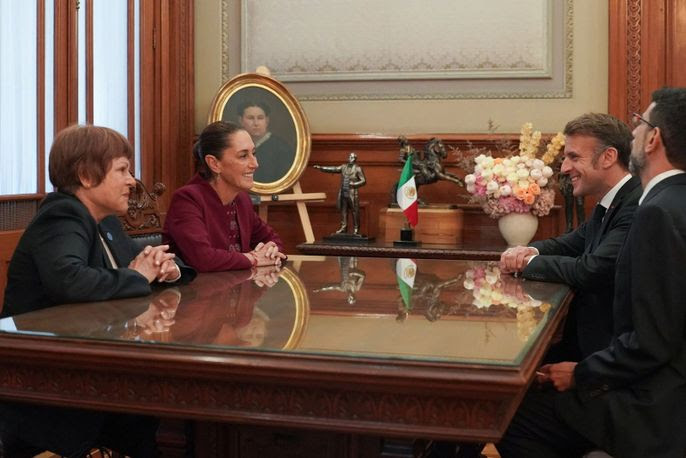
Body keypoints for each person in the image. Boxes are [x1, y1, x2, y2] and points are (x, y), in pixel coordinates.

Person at [497, 87, 686, 458]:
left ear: (653, 139)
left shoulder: (656, 212)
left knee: (510, 418)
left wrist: (582, 374)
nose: (633, 132)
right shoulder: (668, 201)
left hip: (656, 405)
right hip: (656, 384)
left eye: (639, 124)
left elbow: (652, 342)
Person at [1, 124, 194, 457]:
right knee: (166, 409)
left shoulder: (105, 219)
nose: (132, 181)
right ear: (87, 176)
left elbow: (137, 268)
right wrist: (139, 275)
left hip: (94, 366)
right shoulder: (62, 215)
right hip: (49, 383)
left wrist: (167, 269)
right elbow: (71, 280)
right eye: (122, 170)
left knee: (163, 411)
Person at [500, 113, 641, 362]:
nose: (564, 168)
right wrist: (528, 251)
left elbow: (593, 270)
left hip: (609, 359)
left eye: (574, 157)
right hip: (584, 346)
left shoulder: (634, 204)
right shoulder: (610, 201)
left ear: (608, 157)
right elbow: (571, 243)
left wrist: (527, 263)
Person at [163, 121, 287, 272]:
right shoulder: (187, 199)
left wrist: (270, 251)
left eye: (253, 154)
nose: (255, 164)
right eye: (243, 156)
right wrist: (253, 258)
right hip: (196, 287)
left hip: (238, 284)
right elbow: (203, 259)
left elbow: (272, 240)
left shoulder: (242, 199)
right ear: (214, 164)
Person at [237, 100, 294, 183]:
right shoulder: (236, 145)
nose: (256, 123)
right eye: (250, 118)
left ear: (267, 121)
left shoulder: (282, 148)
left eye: (260, 118)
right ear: (241, 121)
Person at [313, 152, 366, 235]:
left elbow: (363, 181)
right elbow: (333, 169)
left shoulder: (358, 168)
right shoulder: (343, 167)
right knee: (343, 210)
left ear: (355, 159)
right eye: (350, 157)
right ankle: (343, 227)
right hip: (343, 192)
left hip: (352, 193)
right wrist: (321, 168)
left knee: (355, 211)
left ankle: (356, 228)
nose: (351, 159)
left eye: (352, 157)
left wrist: (354, 184)